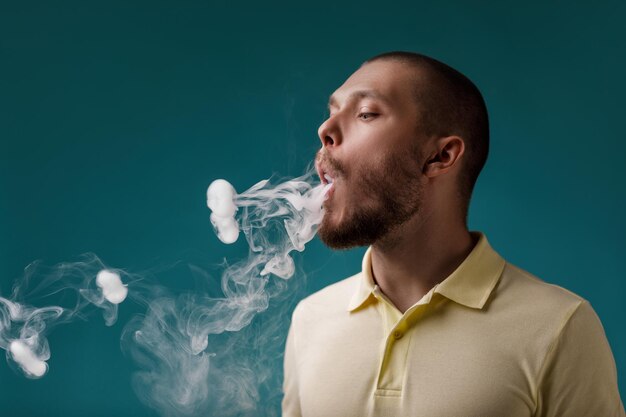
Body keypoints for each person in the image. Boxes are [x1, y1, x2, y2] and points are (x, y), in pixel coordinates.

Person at [281, 51, 624, 417]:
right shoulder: (311, 319)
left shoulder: (560, 327)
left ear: (441, 156)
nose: (325, 130)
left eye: (366, 113)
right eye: (331, 112)